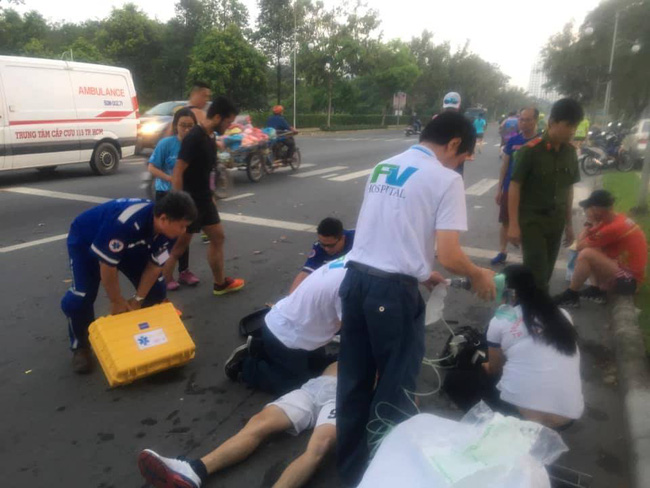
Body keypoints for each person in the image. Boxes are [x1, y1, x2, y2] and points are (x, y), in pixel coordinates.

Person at [336, 112, 496, 485]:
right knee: (395, 389)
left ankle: (351, 471)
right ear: (454, 144)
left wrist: (422, 272)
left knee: (354, 382)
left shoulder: (385, 166)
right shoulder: (446, 179)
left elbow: (388, 229)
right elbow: (450, 254)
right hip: (392, 294)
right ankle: (383, 475)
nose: (460, 165)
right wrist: (478, 274)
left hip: (355, 282)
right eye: (463, 156)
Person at [138, 362, 338, 488]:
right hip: (317, 386)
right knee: (259, 423)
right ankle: (194, 470)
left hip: (346, 398)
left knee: (319, 446)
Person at [60, 192, 198, 374]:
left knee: (156, 291)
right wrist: (116, 300)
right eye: (182, 226)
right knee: (80, 297)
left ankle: (149, 339)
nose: (184, 231)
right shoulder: (124, 222)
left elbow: (154, 267)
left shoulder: (170, 233)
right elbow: (107, 266)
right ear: (164, 219)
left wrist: (138, 299)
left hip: (133, 244)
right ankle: (81, 347)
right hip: (88, 240)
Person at [445, 265, 584, 430]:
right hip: (566, 418)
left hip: (523, 417)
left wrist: (481, 364)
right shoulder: (562, 315)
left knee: (454, 381)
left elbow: (494, 369)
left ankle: (492, 428)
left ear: (511, 293)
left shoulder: (499, 321)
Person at [225, 256, 346, 395]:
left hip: (306, 331)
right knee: (297, 388)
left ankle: (269, 352)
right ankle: (246, 366)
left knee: (321, 370)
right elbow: (353, 331)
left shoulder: (352, 263)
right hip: (285, 334)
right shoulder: (350, 283)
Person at [166, 96, 245, 296]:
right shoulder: (194, 137)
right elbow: (178, 171)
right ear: (217, 117)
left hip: (204, 200)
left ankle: (220, 283)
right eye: (228, 122)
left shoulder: (209, 137)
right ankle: (158, 296)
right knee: (178, 248)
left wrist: (211, 196)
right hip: (189, 202)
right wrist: (179, 204)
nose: (229, 127)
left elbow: (205, 172)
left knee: (218, 237)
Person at [507, 98, 583, 291]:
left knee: (546, 272)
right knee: (537, 274)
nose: (572, 131)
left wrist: (569, 225)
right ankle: (534, 306)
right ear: (552, 122)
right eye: (568, 125)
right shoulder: (530, 151)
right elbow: (515, 186)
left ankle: (527, 302)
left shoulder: (570, 153)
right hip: (533, 222)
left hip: (556, 222)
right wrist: (513, 224)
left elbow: (568, 190)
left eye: (575, 126)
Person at [554, 190, 647, 308]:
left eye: (589, 208)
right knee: (593, 250)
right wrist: (590, 225)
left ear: (596, 210)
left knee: (587, 253)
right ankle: (595, 290)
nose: (587, 211)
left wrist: (588, 224)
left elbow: (579, 246)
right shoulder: (614, 219)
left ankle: (571, 295)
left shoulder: (612, 228)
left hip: (629, 281)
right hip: (627, 275)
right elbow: (586, 241)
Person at [148, 108, 199, 291]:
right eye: (183, 125)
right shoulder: (166, 144)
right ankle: (162, 274)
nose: (187, 129)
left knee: (184, 233)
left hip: (186, 195)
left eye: (190, 126)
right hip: (166, 194)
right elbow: (152, 167)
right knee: (166, 236)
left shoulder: (195, 145)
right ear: (176, 125)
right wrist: (170, 178)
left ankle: (184, 271)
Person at [492, 107, 539, 265]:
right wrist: (499, 189)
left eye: (528, 120)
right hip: (509, 188)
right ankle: (502, 251)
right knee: (506, 221)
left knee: (527, 224)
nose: (523, 123)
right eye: (521, 119)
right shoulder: (513, 141)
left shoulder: (540, 143)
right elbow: (505, 166)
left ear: (535, 121)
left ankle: (527, 258)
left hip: (530, 192)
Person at [289, 217, 355, 293]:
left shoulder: (357, 239)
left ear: (342, 238)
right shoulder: (319, 248)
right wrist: (291, 298)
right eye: (323, 244)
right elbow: (305, 274)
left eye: (331, 245)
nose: (326, 249)